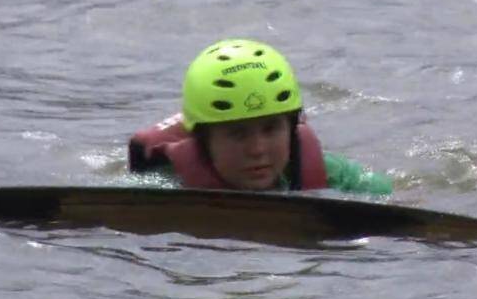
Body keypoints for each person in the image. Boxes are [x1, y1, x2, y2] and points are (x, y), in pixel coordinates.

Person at [128, 39, 393, 195]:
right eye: (237, 133)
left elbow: (401, 201)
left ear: (291, 129)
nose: (257, 149)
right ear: (202, 141)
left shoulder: (330, 172)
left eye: (271, 129)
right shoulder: (163, 186)